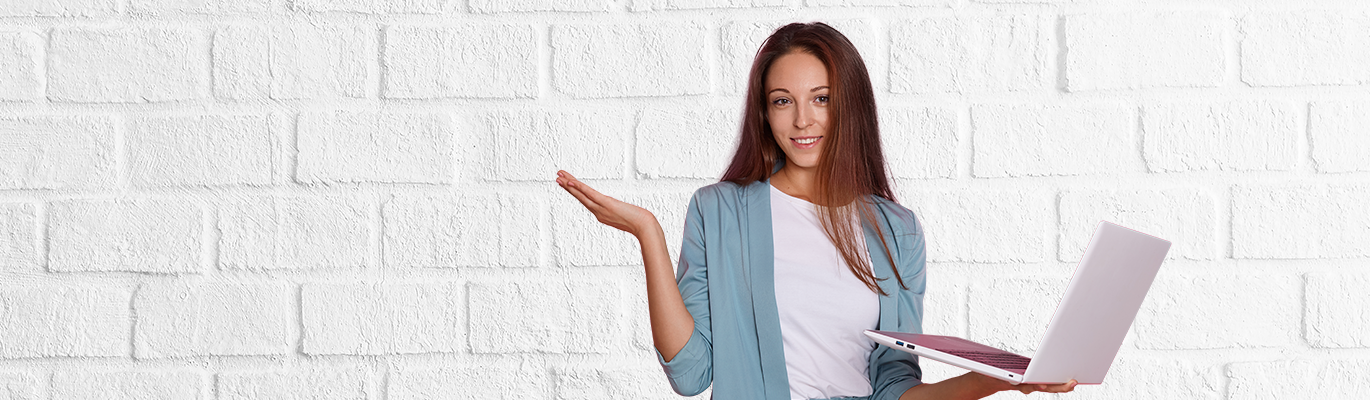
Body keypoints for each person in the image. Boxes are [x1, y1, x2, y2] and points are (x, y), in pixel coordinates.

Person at [554, 22, 1078, 400]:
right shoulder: (720, 212)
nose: (802, 119)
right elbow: (690, 375)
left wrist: (996, 378)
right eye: (783, 100)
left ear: (849, 104)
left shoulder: (897, 231)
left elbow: (896, 389)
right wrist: (649, 236)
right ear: (765, 112)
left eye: (822, 98)